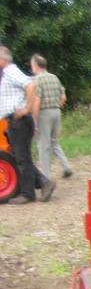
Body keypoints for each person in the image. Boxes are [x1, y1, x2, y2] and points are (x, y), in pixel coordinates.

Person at [0, 46, 55, 204]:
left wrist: (26, 108)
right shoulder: (7, 74)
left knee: (22, 159)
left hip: (20, 120)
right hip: (14, 121)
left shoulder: (11, 71)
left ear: (2, 59)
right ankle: (44, 183)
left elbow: (31, 85)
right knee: (21, 157)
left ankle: (28, 194)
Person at [29, 54, 72, 180]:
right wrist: (56, 107)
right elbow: (63, 97)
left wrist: (34, 120)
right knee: (53, 141)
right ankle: (66, 167)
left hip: (44, 113)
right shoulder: (54, 77)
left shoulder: (37, 80)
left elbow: (37, 101)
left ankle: (46, 176)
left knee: (43, 145)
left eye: (32, 65)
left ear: (35, 66)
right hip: (56, 111)